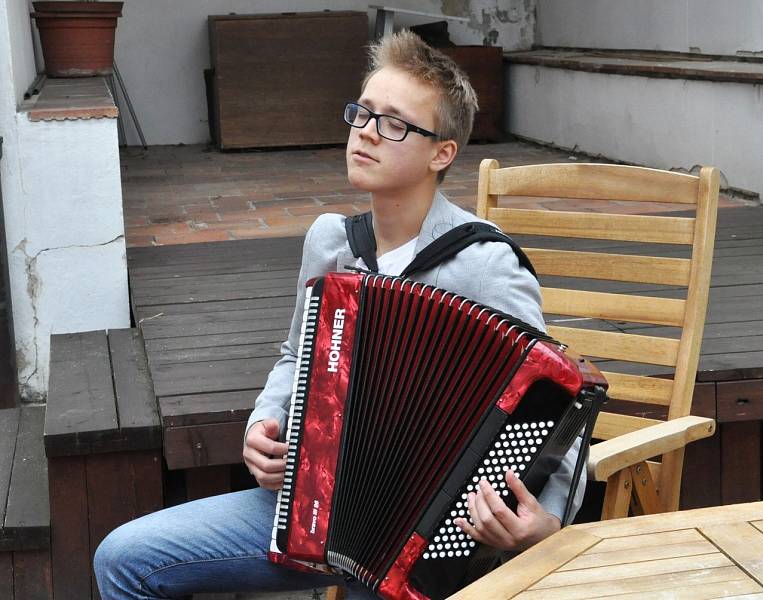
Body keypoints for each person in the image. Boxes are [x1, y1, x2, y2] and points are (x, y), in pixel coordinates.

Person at [94, 31, 585, 599]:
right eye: (363, 113)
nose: (366, 134)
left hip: (427, 539)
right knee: (122, 560)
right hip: (309, 507)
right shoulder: (332, 242)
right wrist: (262, 423)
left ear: (441, 153)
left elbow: (558, 401)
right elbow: (295, 355)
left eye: (394, 123)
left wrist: (546, 524)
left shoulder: (484, 266)